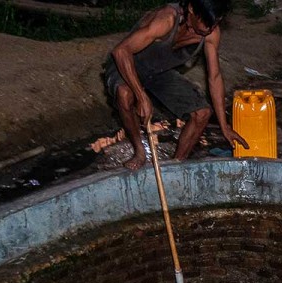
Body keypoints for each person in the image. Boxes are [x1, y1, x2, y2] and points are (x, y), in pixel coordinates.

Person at [105, 0, 249, 170]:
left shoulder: (211, 34)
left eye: (215, 22)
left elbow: (215, 77)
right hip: (126, 66)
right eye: (206, 21)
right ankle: (139, 152)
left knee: (202, 113)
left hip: (158, 72)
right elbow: (121, 51)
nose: (210, 28)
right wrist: (141, 95)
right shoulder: (166, 20)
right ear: (191, 8)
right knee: (125, 94)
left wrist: (224, 126)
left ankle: (174, 166)